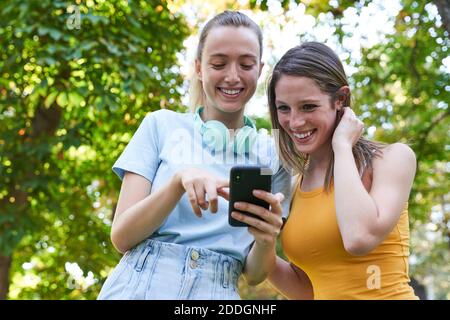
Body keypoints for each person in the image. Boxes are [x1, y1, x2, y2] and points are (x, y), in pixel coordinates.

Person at [97, 11, 290, 300]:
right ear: (199, 68)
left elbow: (254, 275)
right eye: (219, 63)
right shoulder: (160, 124)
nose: (233, 76)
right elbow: (122, 237)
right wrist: (177, 183)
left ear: (260, 70)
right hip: (138, 286)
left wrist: (266, 240)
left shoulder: (274, 156)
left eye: (246, 64)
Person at [230, 42, 418, 299]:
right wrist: (259, 240)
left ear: (340, 99)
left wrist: (342, 146)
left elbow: (359, 238)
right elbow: (308, 290)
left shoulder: (391, 159)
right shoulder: (292, 185)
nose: (295, 122)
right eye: (284, 108)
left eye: (308, 106)